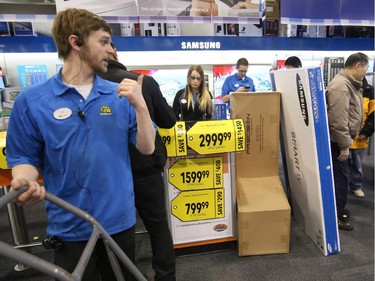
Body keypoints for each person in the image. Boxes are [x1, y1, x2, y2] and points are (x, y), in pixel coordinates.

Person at [6, 8, 156, 281]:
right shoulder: (31, 102)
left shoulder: (119, 94)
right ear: (75, 43)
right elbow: (24, 158)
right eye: (103, 41)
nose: (111, 50)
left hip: (119, 222)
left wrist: (142, 107)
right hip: (68, 226)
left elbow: (147, 148)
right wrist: (24, 182)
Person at [99, 42, 177, 281]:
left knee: (117, 230)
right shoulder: (142, 82)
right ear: (116, 53)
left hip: (110, 171)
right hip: (146, 167)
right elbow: (169, 121)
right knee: (157, 225)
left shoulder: (90, 87)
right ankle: (165, 276)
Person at [325, 52, 369, 231]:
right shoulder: (341, 86)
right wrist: (344, 145)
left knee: (342, 176)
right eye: (365, 68)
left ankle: (338, 209)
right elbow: (338, 120)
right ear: (358, 65)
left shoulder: (349, 84)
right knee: (340, 178)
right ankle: (336, 214)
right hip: (338, 142)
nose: (366, 72)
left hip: (343, 140)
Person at [348, 77, 374, 198]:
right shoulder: (345, 88)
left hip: (360, 137)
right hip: (344, 135)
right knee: (340, 164)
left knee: (357, 164)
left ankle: (356, 186)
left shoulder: (369, 91)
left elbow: (373, 114)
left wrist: (366, 131)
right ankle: (340, 186)